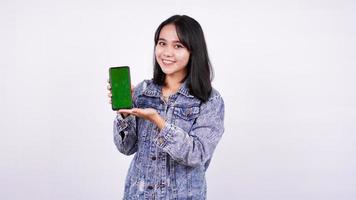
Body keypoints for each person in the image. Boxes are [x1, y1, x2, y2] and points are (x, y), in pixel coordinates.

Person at [107, 15, 225, 200]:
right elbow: (126, 148)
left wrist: (158, 121)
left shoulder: (209, 100)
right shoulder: (142, 91)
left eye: (178, 46)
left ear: (193, 51)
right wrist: (124, 113)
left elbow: (197, 154)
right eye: (162, 43)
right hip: (139, 194)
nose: (167, 52)